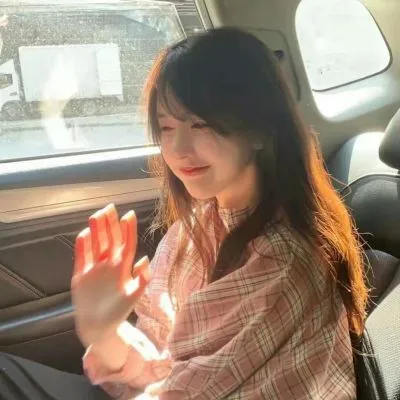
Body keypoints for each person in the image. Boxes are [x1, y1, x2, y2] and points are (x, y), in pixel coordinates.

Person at [0, 27, 368, 400]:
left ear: (260, 131)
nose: (177, 148)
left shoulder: (280, 261)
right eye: (166, 127)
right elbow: (160, 358)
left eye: (201, 124)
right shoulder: (197, 226)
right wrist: (103, 331)